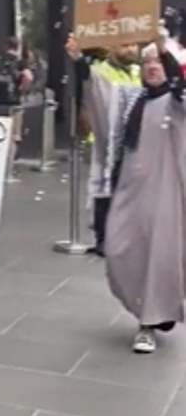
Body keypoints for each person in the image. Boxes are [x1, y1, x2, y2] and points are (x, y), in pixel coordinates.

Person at [67, 31, 185, 354]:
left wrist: (164, 49)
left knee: (157, 255)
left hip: (165, 194)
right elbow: (99, 95)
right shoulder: (131, 99)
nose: (151, 67)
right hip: (128, 191)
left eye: (157, 62)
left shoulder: (177, 103)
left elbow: (180, 86)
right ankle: (152, 309)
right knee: (118, 249)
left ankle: (148, 322)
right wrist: (79, 60)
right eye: (146, 62)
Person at [72, 42, 141, 256]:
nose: (130, 50)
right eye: (125, 45)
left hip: (134, 140)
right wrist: (77, 58)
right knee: (106, 186)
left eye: (133, 46)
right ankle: (103, 238)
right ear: (111, 48)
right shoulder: (101, 71)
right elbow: (87, 79)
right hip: (107, 138)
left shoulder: (138, 71)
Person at [0, 37, 32, 179]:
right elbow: (28, 77)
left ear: (5, 45)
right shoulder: (20, 62)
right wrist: (22, 89)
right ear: (17, 46)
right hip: (13, 102)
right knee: (13, 136)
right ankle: (9, 171)